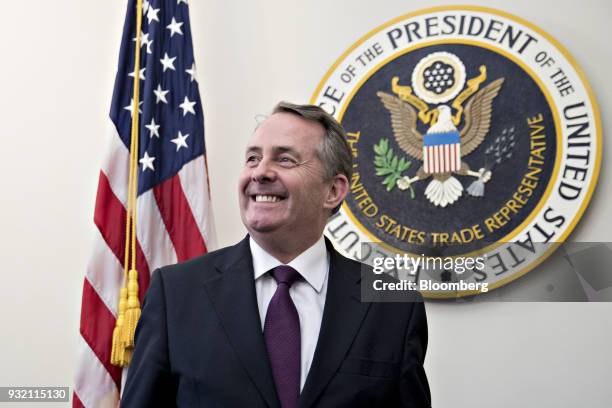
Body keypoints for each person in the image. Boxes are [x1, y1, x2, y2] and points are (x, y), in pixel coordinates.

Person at [121, 102, 431, 407]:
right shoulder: (176, 293)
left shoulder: (394, 307)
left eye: (285, 160)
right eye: (253, 159)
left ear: (333, 191)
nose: (260, 173)